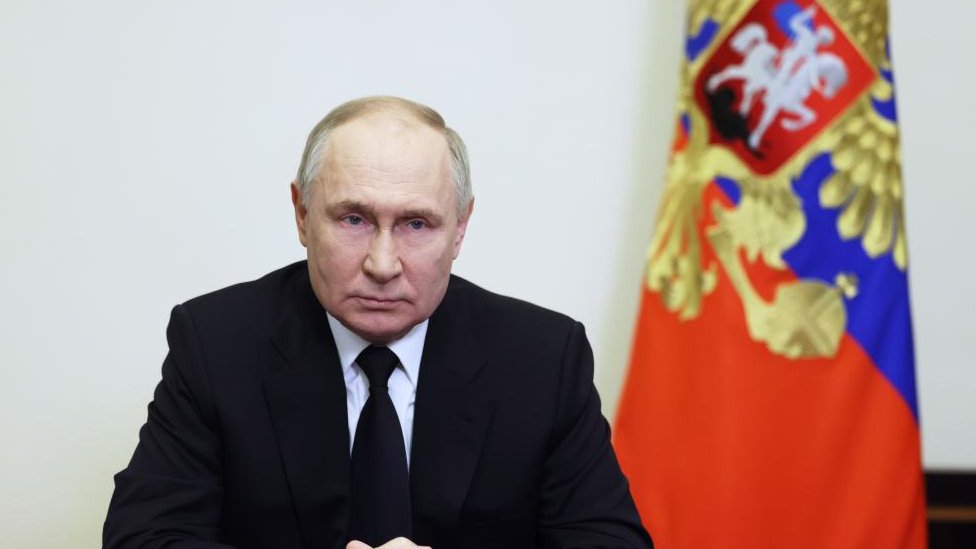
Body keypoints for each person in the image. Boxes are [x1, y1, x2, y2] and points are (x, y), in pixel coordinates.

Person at [104, 96, 652, 549]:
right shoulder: (216, 343)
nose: (383, 264)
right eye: (353, 219)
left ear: (460, 228)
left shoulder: (543, 358)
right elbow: (145, 538)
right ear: (301, 214)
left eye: (416, 223)